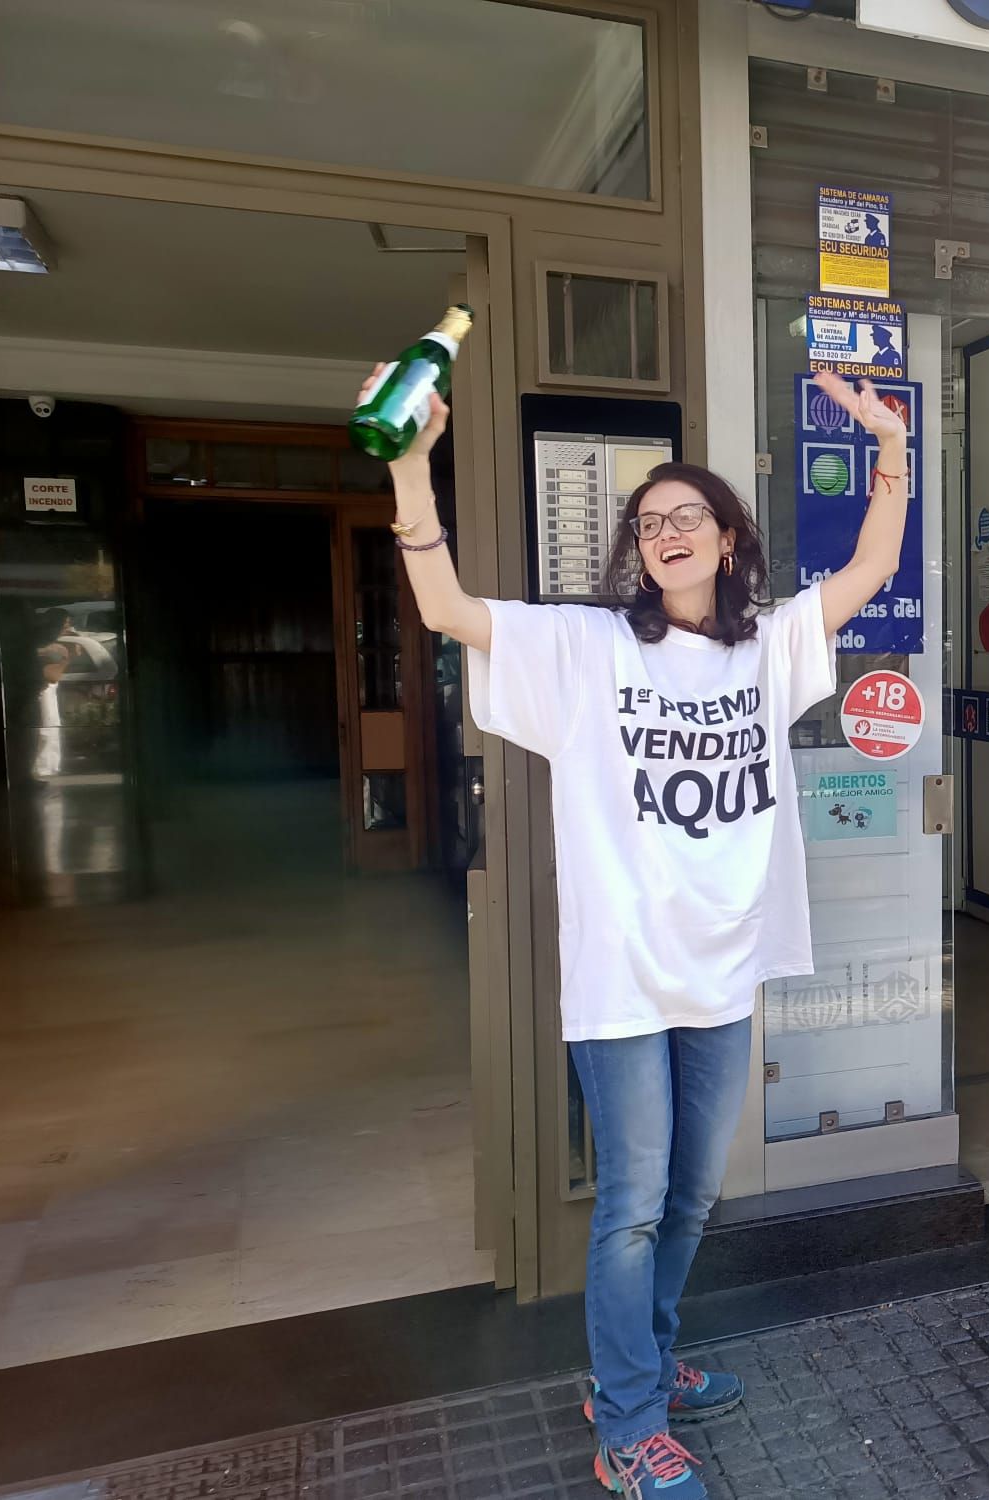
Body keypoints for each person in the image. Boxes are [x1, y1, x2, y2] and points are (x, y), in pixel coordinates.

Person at [370, 364, 908, 1499]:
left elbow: (869, 567)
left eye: (686, 517)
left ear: (726, 540)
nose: (664, 532)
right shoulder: (587, 650)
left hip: (723, 972)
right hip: (620, 977)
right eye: (647, 520)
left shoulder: (767, 651)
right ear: (638, 549)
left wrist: (890, 446)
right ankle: (623, 1424)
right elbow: (448, 612)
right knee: (630, 1207)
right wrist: (411, 466)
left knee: (692, 1199)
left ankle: (648, 1366)